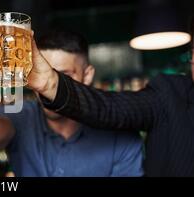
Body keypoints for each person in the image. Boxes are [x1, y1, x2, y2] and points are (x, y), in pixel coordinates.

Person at [0, 30, 143, 177]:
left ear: (87, 75)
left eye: (63, 76)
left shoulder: (120, 134)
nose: (46, 87)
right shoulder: (20, 115)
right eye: (39, 75)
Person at [27, 21, 194, 176]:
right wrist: (50, 84)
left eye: (64, 74)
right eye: (193, 53)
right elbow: (110, 108)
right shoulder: (170, 94)